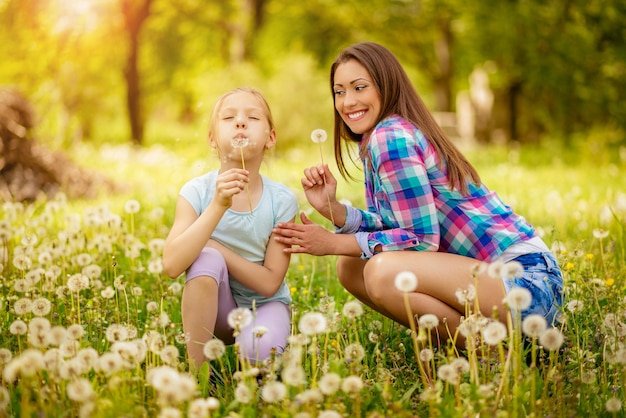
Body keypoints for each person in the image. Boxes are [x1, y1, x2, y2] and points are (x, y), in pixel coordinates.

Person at [272, 42, 563, 349]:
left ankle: (489, 353)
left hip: (525, 283)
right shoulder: (378, 137)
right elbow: (394, 223)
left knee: (382, 272)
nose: (348, 101)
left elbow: (422, 240)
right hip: (496, 282)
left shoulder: (390, 137)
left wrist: (332, 242)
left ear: (386, 85)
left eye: (359, 87)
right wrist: (335, 211)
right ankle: (460, 343)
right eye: (339, 91)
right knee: (351, 267)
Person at [162, 87, 298, 370]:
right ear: (212, 138)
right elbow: (172, 264)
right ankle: (197, 376)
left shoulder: (282, 200)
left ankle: (254, 350)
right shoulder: (196, 193)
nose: (240, 122)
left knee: (257, 353)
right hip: (216, 314)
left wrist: (216, 246)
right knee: (204, 258)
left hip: (265, 307)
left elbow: (271, 282)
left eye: (252, 117)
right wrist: (217, 206)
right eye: (229, 117)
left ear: (270, 138)